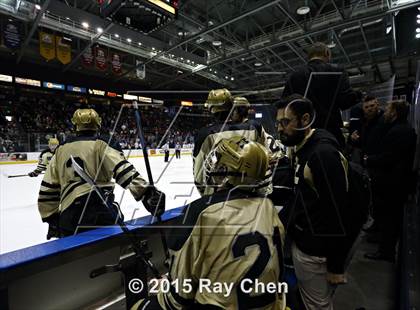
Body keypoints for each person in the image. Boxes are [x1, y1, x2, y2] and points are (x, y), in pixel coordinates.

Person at [132, 137, 286, 309]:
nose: (214, 168)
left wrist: (166, 289)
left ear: (230, 172)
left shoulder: (201, 211)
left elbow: (179, 299)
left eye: (220, 166)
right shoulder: (268, 206)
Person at [276, 95, 357, 310]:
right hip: (305, 243)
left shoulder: (322, 155)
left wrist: (335, 266)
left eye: (285, 122)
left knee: (317, 305)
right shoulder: (303, 147)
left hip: (316, 253)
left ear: (305, 120)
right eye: (278, 123)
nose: (280, 129)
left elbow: (339, 211)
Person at [38, 108, 165, 238]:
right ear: (97, 124)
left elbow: (48, 189)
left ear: (75, 125)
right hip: (101, 210)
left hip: (70, 216)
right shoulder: (102, 143)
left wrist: (52, 219)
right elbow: (123, 170)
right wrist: (146, 192)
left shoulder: (60, 150)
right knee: (109, 251)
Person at [193, 89, 283, 196]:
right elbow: (265, 161)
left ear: (211, 109)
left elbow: (199, 177)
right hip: (254, 192)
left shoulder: (205, 134)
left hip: (220, 197)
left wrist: (207, 195)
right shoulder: (255, 127)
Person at [364, 100, 417, 262]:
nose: (385, 111)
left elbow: (389, 157)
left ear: (394, 112)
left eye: (388, 109)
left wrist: (369, 160)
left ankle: (385, 252)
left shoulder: (399, 131)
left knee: (390, 218)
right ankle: (384, 247)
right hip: (396, 182)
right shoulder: (402, 129)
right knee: (388, 217)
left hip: (393, 183)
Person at [282, 42, 362, 148]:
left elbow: (285, 106)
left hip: (304, 134)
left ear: (309, 56)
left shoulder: (295, 76)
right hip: (331, 134)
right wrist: (358, 94)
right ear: (327, 53)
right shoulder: (337, 71)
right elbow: (344, 102)